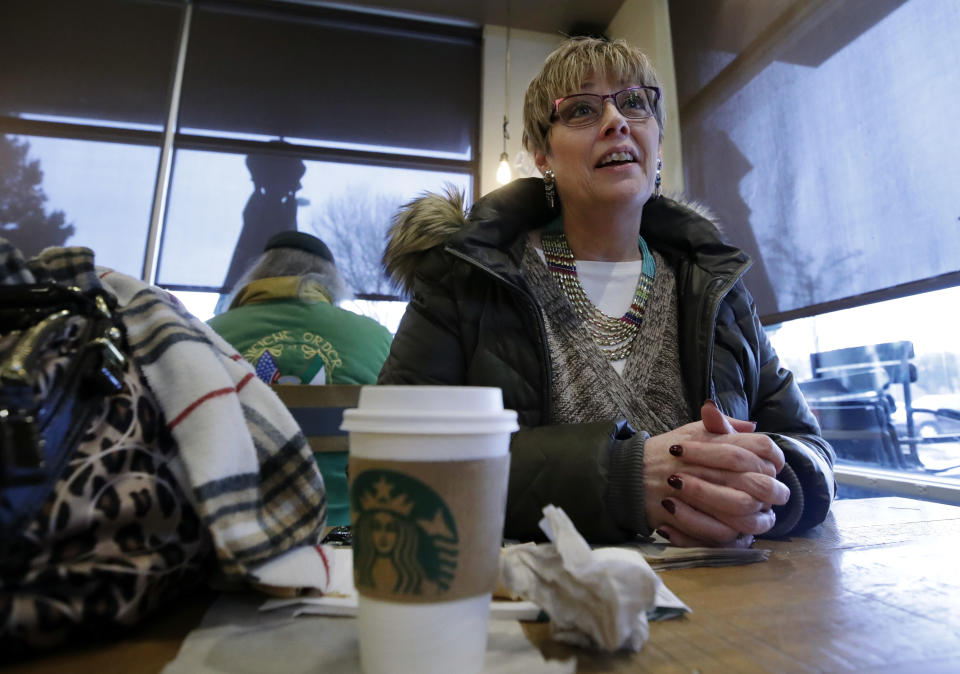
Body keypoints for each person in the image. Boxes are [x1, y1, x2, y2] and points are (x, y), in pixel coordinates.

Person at [378, 37, 835, 547]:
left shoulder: (714, 283)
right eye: (580, 109)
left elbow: (811, 451)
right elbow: (398, 460)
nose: (616, 121)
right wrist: (621, 476)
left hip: (726, 601)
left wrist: (767, 484)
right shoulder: (464, 277)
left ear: (657, 143)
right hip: (536, 607)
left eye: (634, 103)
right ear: (542, 155)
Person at [209, 230, 393, 526]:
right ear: (332, 283)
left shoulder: (207, 335)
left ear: (256, 275)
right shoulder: (378, 340)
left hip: (235, 531)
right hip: (347, 534)